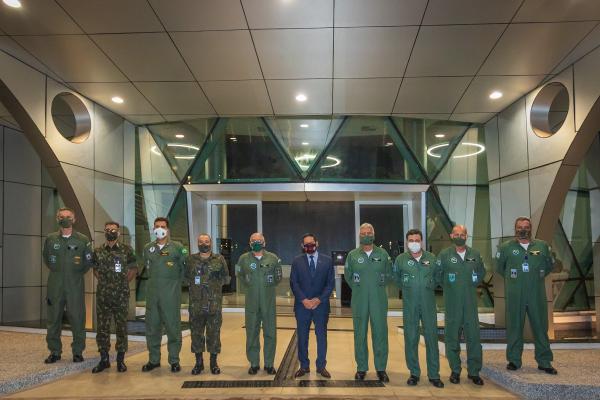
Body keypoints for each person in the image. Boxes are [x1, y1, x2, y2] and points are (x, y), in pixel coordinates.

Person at [496, 216, 557, 374]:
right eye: (519, 227)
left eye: (526, 227)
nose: (522, 229)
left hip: (536, 294)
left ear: (531, 228)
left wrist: (534, 278)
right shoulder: (505, 247)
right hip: (515, 294)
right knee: (514, 326)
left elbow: (549, 266)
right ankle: (514, 360)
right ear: (515, 229)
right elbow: (500, 268)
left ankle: (544, 361)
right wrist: (516, 282)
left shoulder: (542, 246)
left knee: (541, 327)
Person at [393, 228, 444, 388]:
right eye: (411, 240)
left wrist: (427, 286)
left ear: (421, 242)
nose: (414, 243)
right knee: (411, 338)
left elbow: (438, 277)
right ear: (407, 242)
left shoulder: (432, 258)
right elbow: (396, 279)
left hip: (428, 304)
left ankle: (434, 375)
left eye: (417, 240)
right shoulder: (401, 259)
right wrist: (409, 290)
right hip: (410, 305)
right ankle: (414, 373)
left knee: (431, 338)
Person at [42, 207, 94, 364]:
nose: (65, 219)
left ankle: (78, 352)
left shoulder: (83, 240)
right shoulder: (50, 239)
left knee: (77, 318)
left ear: (74, 219)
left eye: (68, 216)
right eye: (62, 216)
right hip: (55, 284)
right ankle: (54, 351)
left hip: (75, 285)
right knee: (53, 319)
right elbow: (46, 259)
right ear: (57, 219)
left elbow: (87, 263)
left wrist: (75, 274)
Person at [344, 223, 392, 382]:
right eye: (363, 233)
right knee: (360, 334)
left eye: (369, 232)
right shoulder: (352, 255)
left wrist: (375, 288)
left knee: (380, 334)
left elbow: (389, 274)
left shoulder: (383, 254)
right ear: (359, 235)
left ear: (373, 234)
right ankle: (361, 368)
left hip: (379, 300)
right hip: (359, 301)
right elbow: (348, 276)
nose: (366, 235)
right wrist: (361, 289)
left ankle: (381, 368)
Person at [438, 225, 485, 385]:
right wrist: (450, 288)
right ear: (451, 236)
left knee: (474, 338)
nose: (459, 236)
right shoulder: (444, 255)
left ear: (466, 236)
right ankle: (455, 371)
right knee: (452, 338)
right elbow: (438, 275)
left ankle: (474, 372)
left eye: (462, 234)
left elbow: (481, 273)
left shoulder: (475, 254)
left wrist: (470, 285)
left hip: (470, 304)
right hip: (452, 304)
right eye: (456, 234)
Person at [141, 217, 188, 373]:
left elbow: (184, 270)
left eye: (162, 226)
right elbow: (147, 269)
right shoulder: (148, 248)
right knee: (152, 329)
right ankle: (153, 360)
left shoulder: (177, 248)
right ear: (153, 229)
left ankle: (174, 360)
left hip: (170, 296)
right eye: (156, 226)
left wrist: (174, 286)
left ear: (168, 229)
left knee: (173, 329)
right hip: (152, 296)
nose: (159, 229)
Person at [91, 221, 137, 373]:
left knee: (121, 327)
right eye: (108, 229)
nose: (111, 231)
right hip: (103, 295)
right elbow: (95, 270)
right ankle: (104, 359)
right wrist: (105, 283)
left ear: (118, 233)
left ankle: (120, 360)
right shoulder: (97, 251)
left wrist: (121, 283)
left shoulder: (127, 250)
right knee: (102, 328)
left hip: (121, 295)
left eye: (114, 230)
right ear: (104, 232)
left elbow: (133, 269)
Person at [235, 233, 282, 375]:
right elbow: (239, 274)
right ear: (249, 243)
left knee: (270, 333)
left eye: (259, 240)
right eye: (253, 240)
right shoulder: (243, 259)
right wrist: (249, 286)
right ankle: (254, 363)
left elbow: (278, 277)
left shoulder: (273, 258)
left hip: (268, 304)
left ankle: (269, 364)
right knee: (252, 333)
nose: (256, 242)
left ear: (264, 242)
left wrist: (268, 287)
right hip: (251, 304)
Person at [290, 233, 335, 379]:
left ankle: (321, 366)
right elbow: (294, 283)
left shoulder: (327, 261)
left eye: (312, 243)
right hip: (302, 306)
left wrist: (318, 300)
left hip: (320, 306)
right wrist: (304, 299)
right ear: (303, 246)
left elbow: (330, 284)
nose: (309, 246)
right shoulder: (297, 261)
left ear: (317, 243)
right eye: (306, 244)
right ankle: (304, 366)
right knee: (302, 337)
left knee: (321, 336)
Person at [186, 234, 230, 375]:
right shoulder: (190, 260)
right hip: (196, 305)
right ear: (197, 243)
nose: (203, 244)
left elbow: (226, 278)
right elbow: (185, 277)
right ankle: (198, 363)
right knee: (196, 334)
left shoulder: (219, 259)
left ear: (210, 243)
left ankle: (213, 363)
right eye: (200, 241)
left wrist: (213, 289)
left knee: (214, 334)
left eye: (206, 241)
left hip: (214, 305)